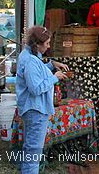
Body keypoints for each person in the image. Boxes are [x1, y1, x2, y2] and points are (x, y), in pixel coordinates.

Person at [16, 26, 69, 174]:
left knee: (30, 150)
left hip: (33, 109)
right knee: (33, 154)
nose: (49, 46)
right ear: (37, 44)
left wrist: (51, 64)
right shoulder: (30, 60)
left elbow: (36, 74)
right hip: (36, 110)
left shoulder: (29, 56)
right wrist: (54, 77)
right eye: (46, 44)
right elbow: (36, 88)